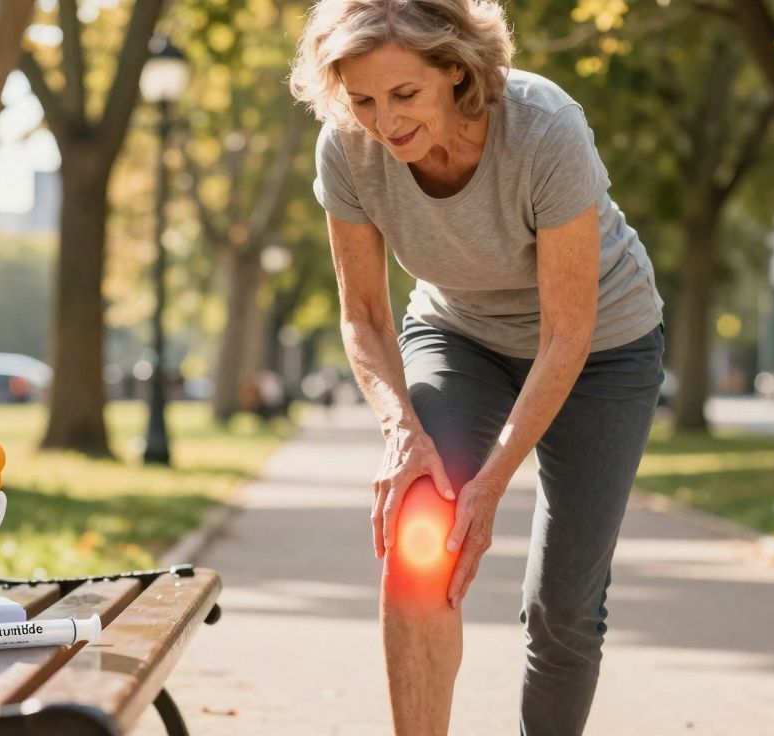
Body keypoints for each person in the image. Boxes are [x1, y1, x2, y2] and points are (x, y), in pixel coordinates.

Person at [289, 1, 667, 734]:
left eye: (405, 94)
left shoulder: (543, 127)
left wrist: (491, 484)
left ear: (456, 72)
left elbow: (567, 333)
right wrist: (402, 432)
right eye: (362, 100)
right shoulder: (348, 149)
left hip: (603, 349)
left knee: (563, 608)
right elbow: (363, 315)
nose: (384, 121)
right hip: (460, 335)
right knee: (419, 538)